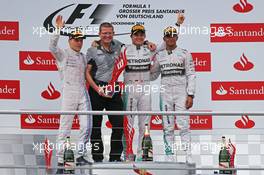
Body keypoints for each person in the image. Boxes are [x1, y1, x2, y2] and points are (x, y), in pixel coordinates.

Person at [49, 15, 93, 174]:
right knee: (64, 128)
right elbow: (52, 47)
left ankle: (80, 154)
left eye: (81, 39)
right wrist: (58, 29)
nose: (79, 42)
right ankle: (61, 161)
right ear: (70, 40)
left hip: (82, 92)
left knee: (87, 125)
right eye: (76, 39)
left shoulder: (83, 56)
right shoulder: (63, 54)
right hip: (68, 92)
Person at [151, 26, 196, 163]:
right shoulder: (159, 55)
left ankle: (188, 155)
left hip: (181, 92)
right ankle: (170, 157)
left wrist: (191, 94)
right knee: (167, 127)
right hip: (165, 93)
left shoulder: (184, 53)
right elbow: (153, 75)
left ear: (177, 37)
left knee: (183, 125)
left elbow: (191, 74)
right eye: (168, 36)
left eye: (173, 35)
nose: (171, 38)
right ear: (164, 39)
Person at [86, 22, 125, 162]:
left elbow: (134, 45)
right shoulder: (92, 50)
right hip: (97, 89)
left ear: (113, 33)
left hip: (113, 88)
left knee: (119, 124)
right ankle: (97, 158)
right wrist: (97, 89)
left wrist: (147, 42)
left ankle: (115, 157)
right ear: (99, 34)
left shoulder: (119, 45)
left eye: (110, 33)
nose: (107, 35)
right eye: (104, 33)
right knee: (95, 127)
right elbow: (87, 73)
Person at [122, 24, 157, 162]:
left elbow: (164, 46)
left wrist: (148, 43)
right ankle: (129, 154)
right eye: (136, 34)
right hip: (130, 89)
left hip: (145, 89)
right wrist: (97, 43)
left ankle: (143, 154)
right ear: (131, 36)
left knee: (145, 124)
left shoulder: (150, 49)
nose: (139, 37)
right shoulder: (124, 49)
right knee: (129, 123)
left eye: (141, 34)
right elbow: (109, 44)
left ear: (145, 36)